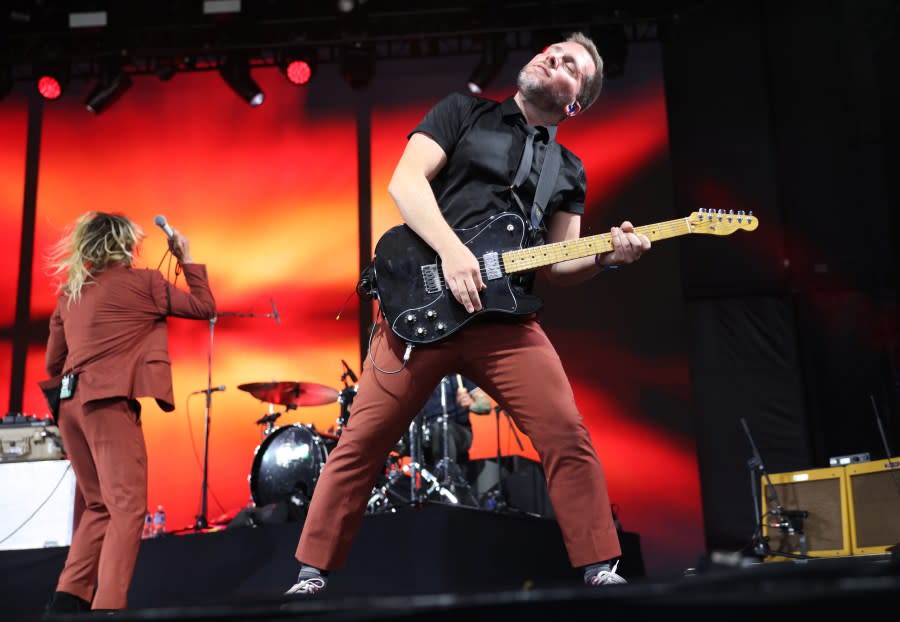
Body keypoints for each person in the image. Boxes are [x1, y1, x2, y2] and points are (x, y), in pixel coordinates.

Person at [286, 32, 649, 595]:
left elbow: (561, 262)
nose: (552, 56)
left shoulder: (569, 170)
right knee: (360, 443)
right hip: (422, 310)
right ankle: (311, 576)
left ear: (575, 100)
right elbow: (405, 183)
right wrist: (454, 254)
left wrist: (608, 258)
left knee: (566, 434)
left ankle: (601, 566)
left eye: (570, 64)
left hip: (505, 324)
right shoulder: (462, 111)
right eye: (551, 50)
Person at [41, 212, 216, 614]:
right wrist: (185, 256)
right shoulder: (145, 283)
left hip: (69, 407)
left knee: (99, 504)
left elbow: (54, 364)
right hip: (107, 404)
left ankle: (67, 600)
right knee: (126, 507)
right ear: (125, 244)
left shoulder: (70, 292)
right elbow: (205, 306)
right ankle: (108, 607)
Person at [420, 374, 491, 466]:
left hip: (459, 431)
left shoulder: (459, 375)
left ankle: (447, 476)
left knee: (441, 429)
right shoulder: (421, 378)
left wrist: (471, 404)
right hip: (427, 432)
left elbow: (485, 406)